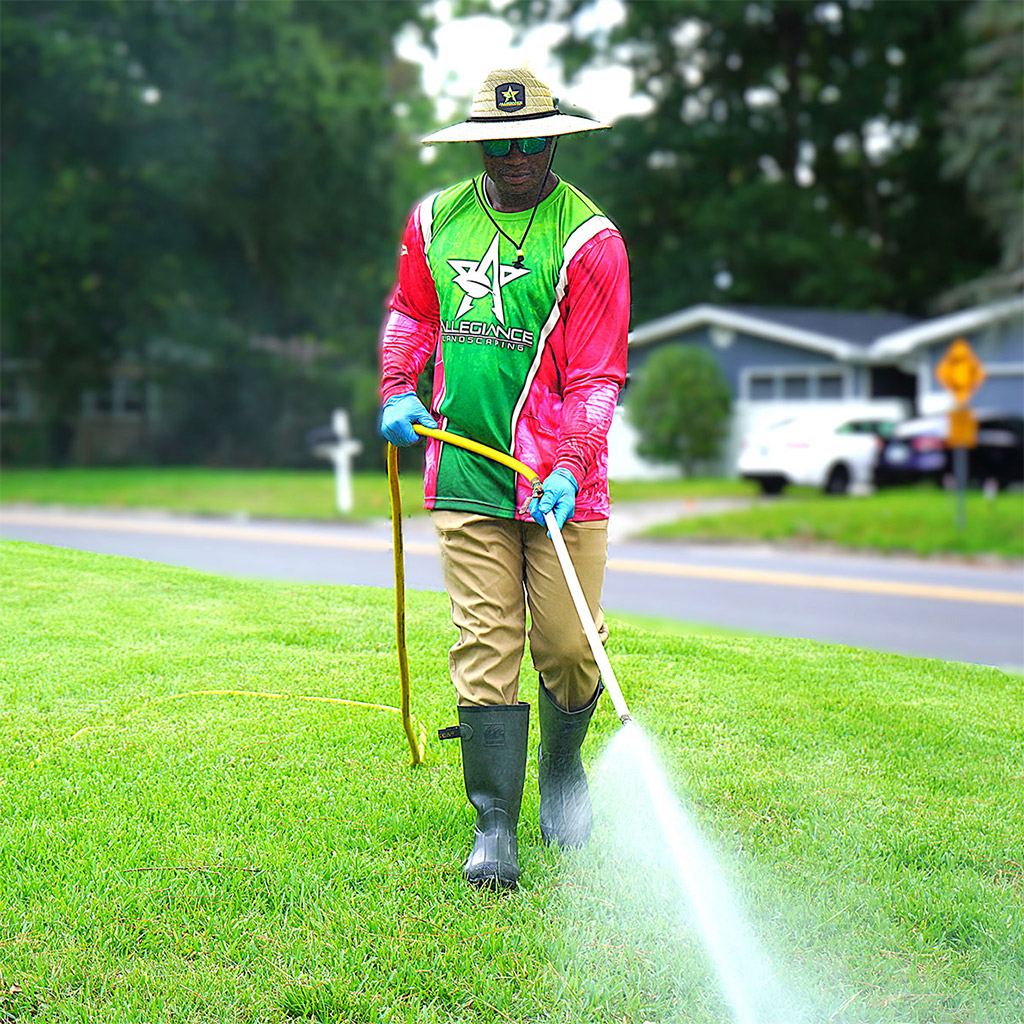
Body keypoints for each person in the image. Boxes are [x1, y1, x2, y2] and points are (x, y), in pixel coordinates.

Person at [378, 67, 630, 891]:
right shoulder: (434, 220)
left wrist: (568, 464)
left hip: (565, 486)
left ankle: (563, 772)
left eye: (531, 138)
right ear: (479, 140)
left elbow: (596, 377)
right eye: (500, 139)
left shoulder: (592, 241)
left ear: (553, 137)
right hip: (465, 469)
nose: (516, 154)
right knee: (486, 642)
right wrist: (395, 386)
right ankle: (495, 821)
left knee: (567, 644)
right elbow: (411, 314)